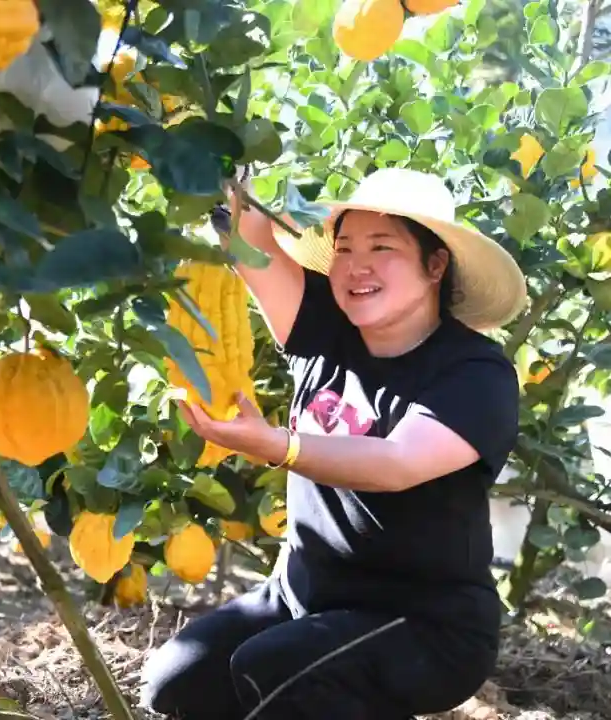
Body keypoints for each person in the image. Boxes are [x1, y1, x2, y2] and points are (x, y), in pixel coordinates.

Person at [138, 168, 528, 720]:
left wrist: (280, 445)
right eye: (344, 247)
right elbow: (248, 237)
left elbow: (397, 463)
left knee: (273, 667)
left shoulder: (475, 373)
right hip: (303, 595)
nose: (356, 265)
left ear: (435, 265)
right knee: (177, 684)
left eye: (382, 247)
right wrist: (205, 151)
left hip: (423, 623)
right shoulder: (323, 324)